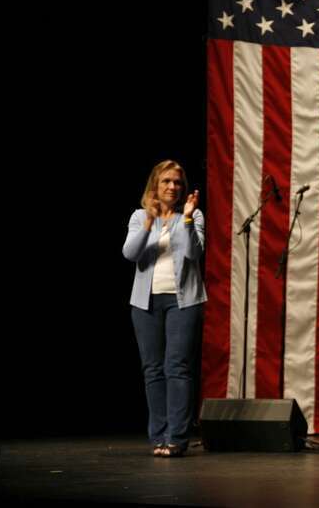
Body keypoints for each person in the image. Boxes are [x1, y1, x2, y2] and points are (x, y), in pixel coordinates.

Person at [123, 160, 207, 457]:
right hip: (145, 302)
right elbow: (131, 253)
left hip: (183, 301)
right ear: (155, 186)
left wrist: (184, 220)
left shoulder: (193, 215)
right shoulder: (139, 216)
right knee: (153, 370)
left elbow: (192, 252)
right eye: (167, 182)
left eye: (178, 182)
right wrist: (150, 221)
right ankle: (158, 436)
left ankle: (177, 437)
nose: (173, 187)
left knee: (177, 367)